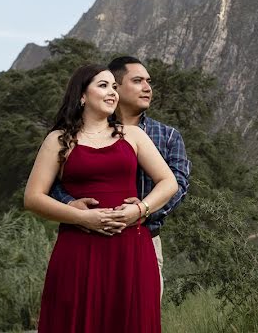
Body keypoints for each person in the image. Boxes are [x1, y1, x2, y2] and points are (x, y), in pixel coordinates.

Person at [24, 64, 177, 332]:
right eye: (103, 86)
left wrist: (141, 209)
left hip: (131, 249)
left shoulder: (133, 135)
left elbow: (169, 182)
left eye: (115, 87)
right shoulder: (58, 140)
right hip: (79, 250)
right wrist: (82, 217)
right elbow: (33, 197)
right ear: (82, 96)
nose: (113, 93)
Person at [49, 55, 191, 295]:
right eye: (138, 81)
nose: (147, 88)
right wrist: (73, 207)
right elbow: (51, 184)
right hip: (83, 236)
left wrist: (141, 212)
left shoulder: (166, 135)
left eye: (149, 81)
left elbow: (177, 183)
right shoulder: (73, 135)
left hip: (141, 238)